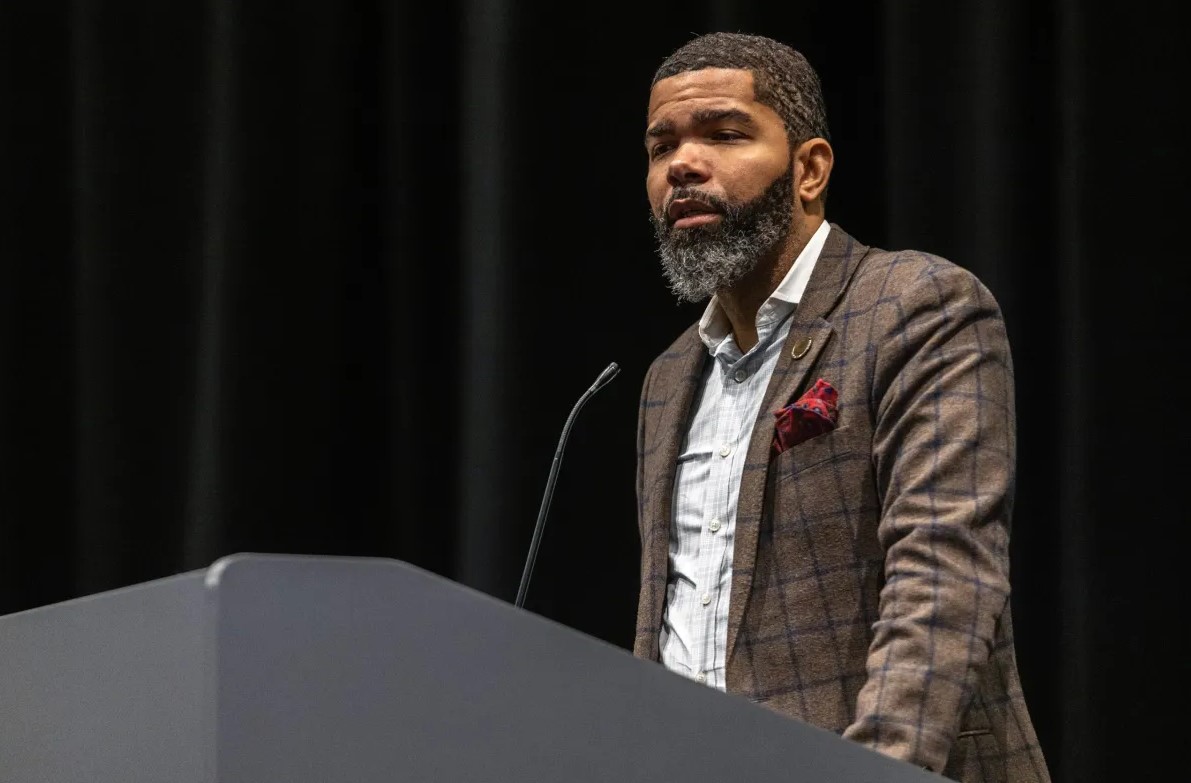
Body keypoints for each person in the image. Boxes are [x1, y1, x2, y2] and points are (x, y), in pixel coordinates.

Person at [634, 32, 1050, 781]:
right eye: (661, 147)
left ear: (809, 169)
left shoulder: (916, 307)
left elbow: (941, 580)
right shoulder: (667, 378)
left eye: (723, 135)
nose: (682, 165)